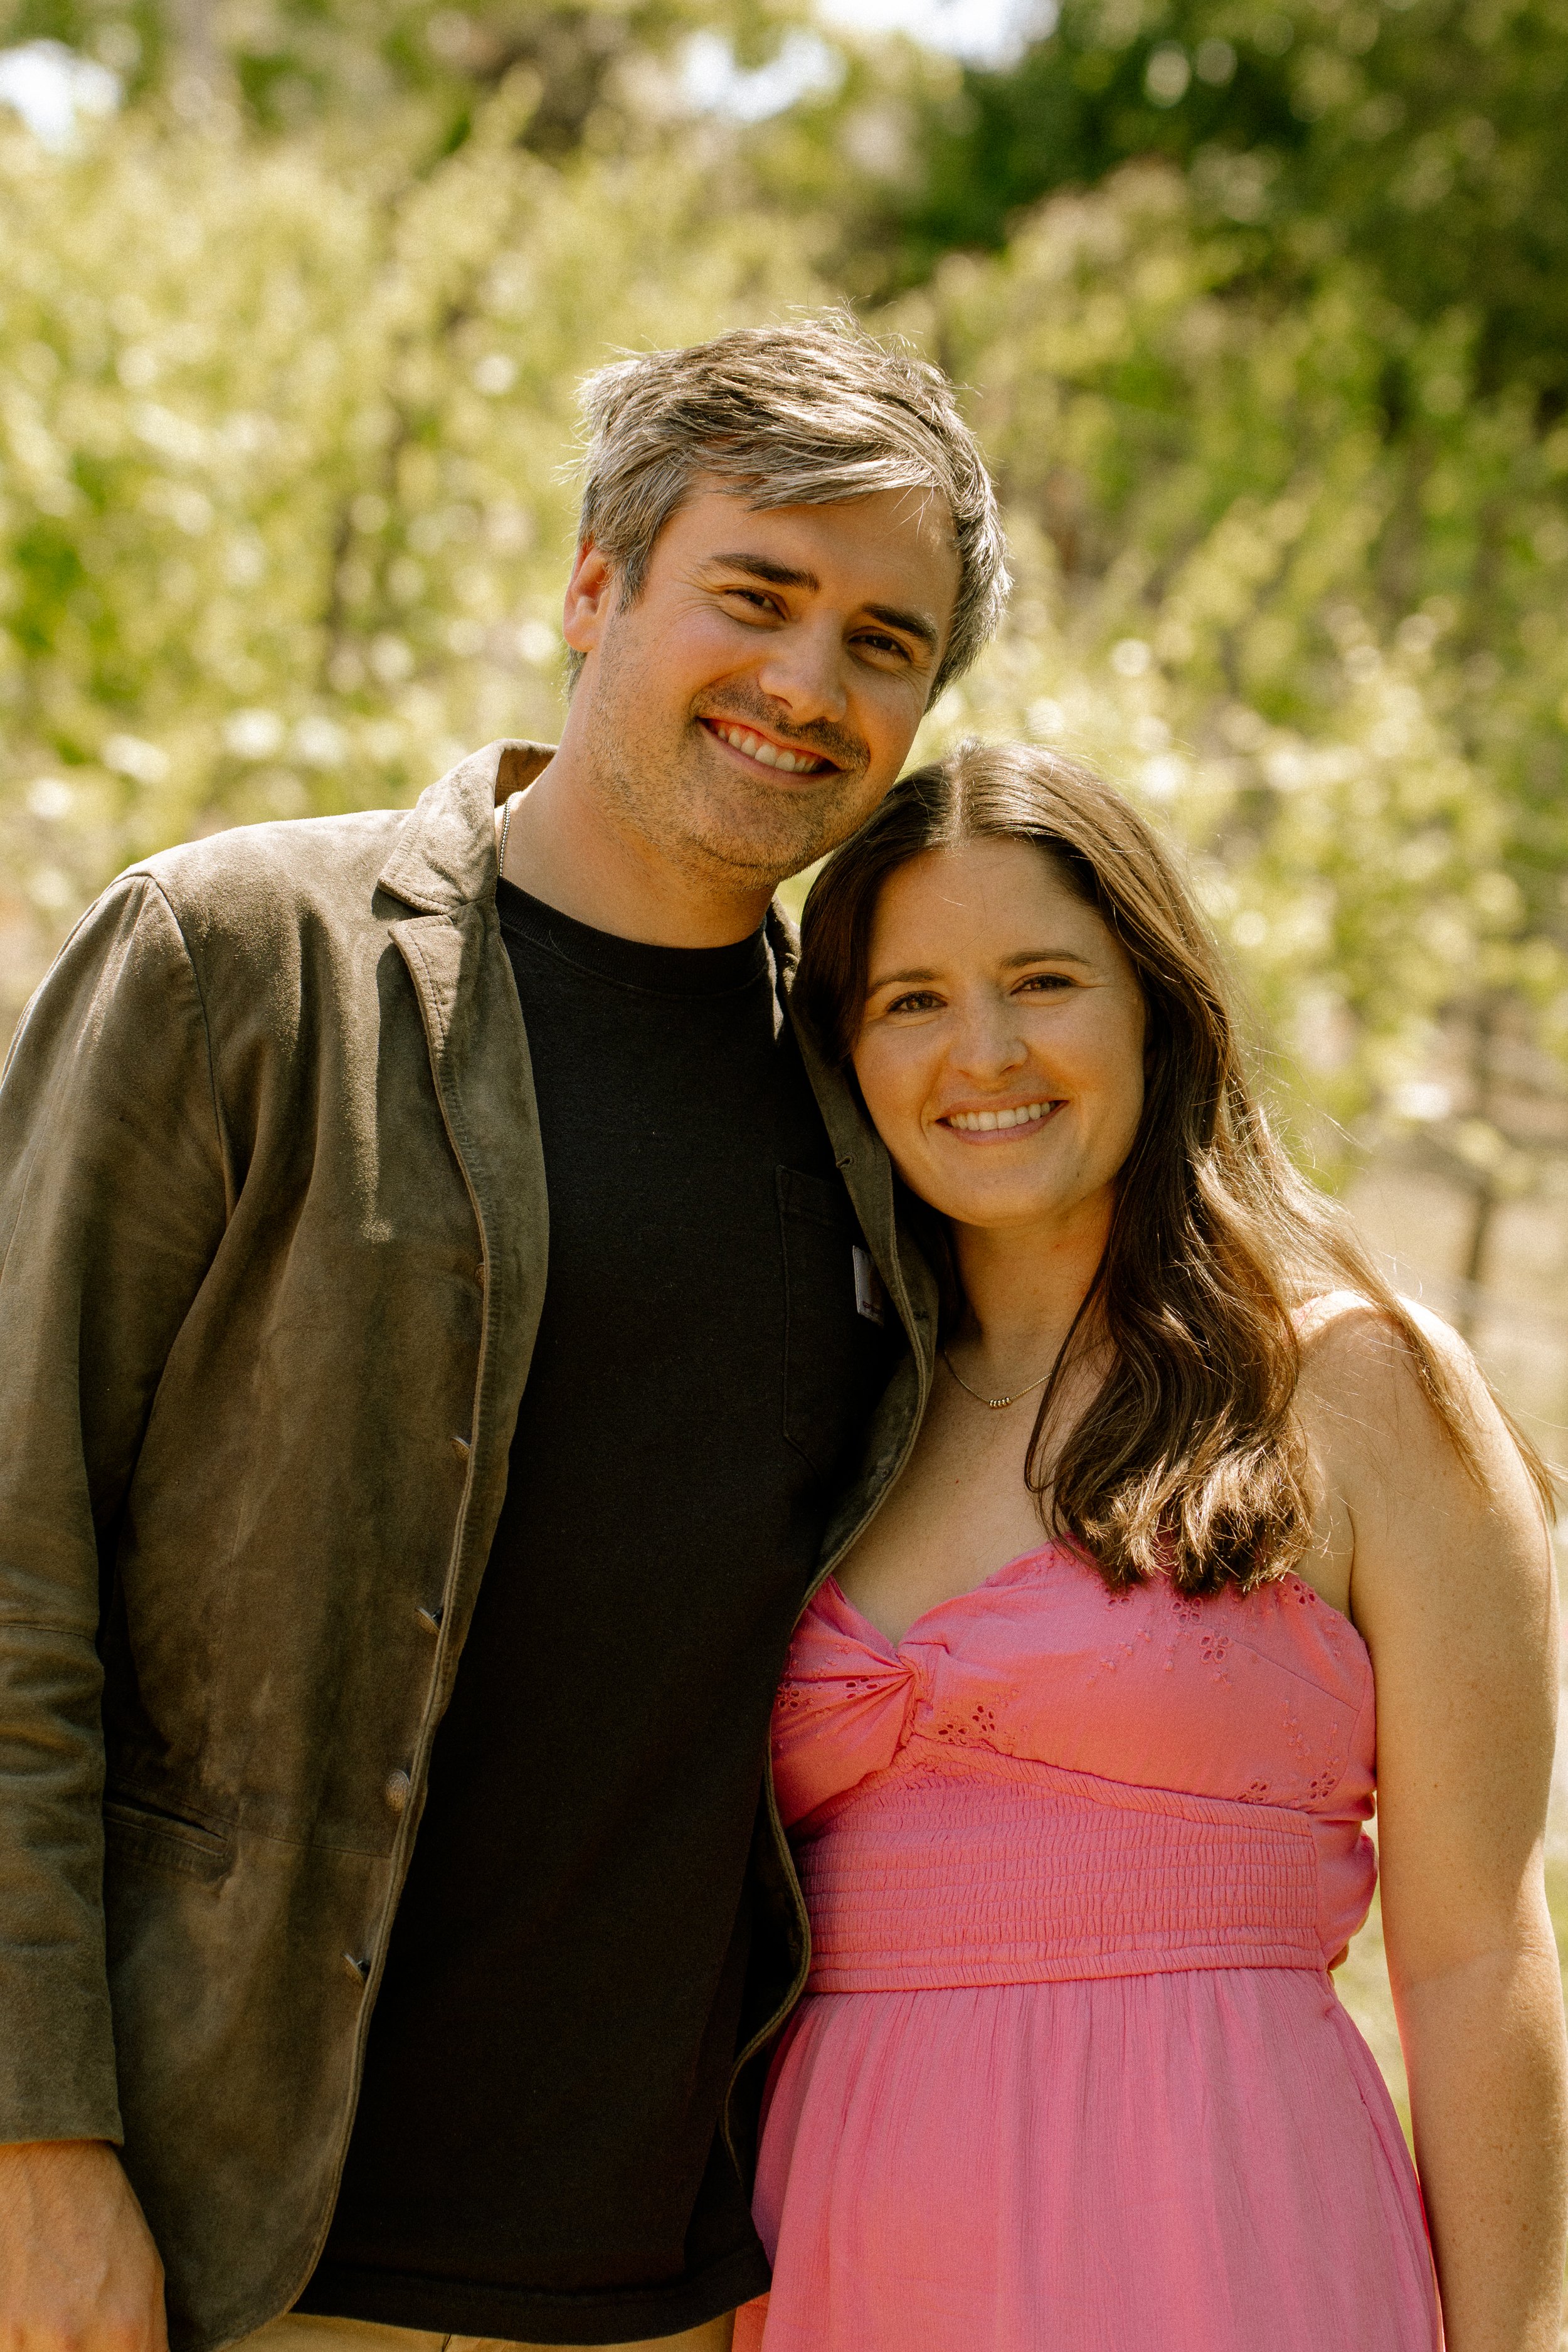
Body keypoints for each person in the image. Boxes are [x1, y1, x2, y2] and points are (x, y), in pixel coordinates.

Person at [0, 320, 1008, 2352]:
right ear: (592, 583)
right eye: (757, 595)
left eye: (884, 643)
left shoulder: (883, 1109)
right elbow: (12, 1566)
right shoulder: (236, 962)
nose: (810, 685)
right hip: (222, 2256)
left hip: (667, 2285)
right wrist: (33, 2147)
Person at [734, 737, 1568, 2352]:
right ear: (844, 1052)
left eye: (1041, 979)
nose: (983, 1051)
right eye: (909, 999)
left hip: (1221, 2240)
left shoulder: (1356, 1387)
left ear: (1152, 1006)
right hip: (842, 2248)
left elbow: (1472, 1952)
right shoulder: (820, 1420)